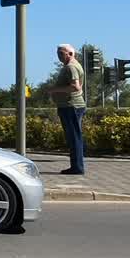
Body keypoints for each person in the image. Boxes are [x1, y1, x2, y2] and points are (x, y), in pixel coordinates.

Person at [52, 43, 86, 175]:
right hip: (70, 106)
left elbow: (75, 87)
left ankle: (77, 167)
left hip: (71, 106)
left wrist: (54, 90)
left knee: (74, 137)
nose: (59, 56)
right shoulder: (71, 66)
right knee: (73, 137)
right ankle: (76, 166)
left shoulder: (71, 67)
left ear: (70, 54)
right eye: (58, 53)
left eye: (62, 53)